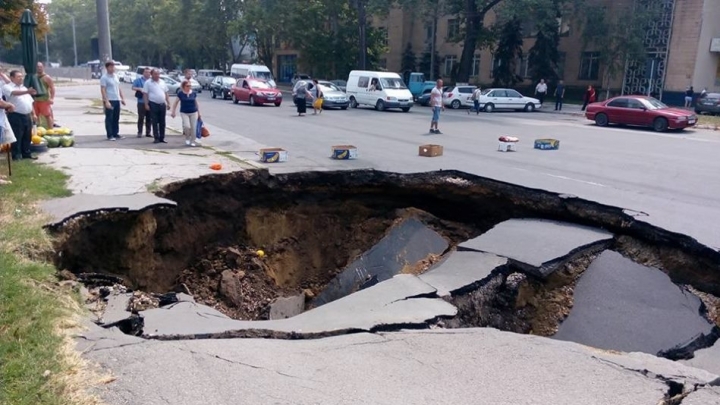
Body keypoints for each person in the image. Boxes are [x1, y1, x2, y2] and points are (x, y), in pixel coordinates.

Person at [2, 70, 37, 160]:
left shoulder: (24, 88)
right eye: (18, 77)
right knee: (17, 135)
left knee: (27, 135)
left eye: (22, 76)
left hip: (27, 115)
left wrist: (34, 114)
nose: (21, 78)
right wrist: (27, 92)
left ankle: (26, 153)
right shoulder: (7, 87)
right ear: (12, 78)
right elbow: (13, 93)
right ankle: (16, 155)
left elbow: (30, 102)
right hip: (16, 115)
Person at [143, 69, 170, 143]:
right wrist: (146, 104)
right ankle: (156, 137)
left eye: (158, 74)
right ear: (151, 74)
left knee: (162, 122)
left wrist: (168, 102)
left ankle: (162, 137)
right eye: (155, 74)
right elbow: (145, 94)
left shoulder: (162, 82)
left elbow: (166, 93)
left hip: (162, 104)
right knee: (154, 121)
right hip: (153, 103)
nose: (157, 75)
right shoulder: (148, 83)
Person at [100, 61, 126, 141]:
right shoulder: (104, 78)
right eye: (111, 67)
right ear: (107, 68)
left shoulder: (115, 76)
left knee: (116, 117)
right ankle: (110, 135)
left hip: (116, 99)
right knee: (109, 118)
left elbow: (118, 88)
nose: (113, 68)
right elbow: (103, 90)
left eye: (113, 67)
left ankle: (115, 133)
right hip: (110, 100)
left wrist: (122, 98)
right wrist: (106, 101)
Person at [171, 81, 201, 147]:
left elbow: (196, 103)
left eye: (190, 86)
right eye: (187, 86)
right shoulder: (180, 94)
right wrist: (173, 111)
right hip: (184, 112)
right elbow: (175, 103)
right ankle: (187, 137)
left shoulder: (193, 93)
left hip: (193, 112)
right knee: (187, 126)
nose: (189, 87)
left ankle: (193, 140)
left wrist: (199, 113)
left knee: (193, 127)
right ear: (184, 86)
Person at [33, 62, 55, 129]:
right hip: (35, 100)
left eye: (40, 67)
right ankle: (37, 130)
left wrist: (51, 98)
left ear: (43, 67)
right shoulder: (34, 76)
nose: (39, 68)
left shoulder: (46, 77)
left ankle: (51, 130)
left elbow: (52, 88)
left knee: (47, 115)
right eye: (37, 67)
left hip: (44, 100)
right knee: (35, 116)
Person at [132, 67, 152, 138]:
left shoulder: (151, 81)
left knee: (149, 118)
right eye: (146, 72)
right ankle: (139, 132)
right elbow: (133, 87)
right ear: (143, 73)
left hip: (150, 101)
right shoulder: (139, 80)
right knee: (141, 117)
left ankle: (148, 132)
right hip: (141, 101)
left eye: (149, 72)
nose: (148, 73)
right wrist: (139, 89)